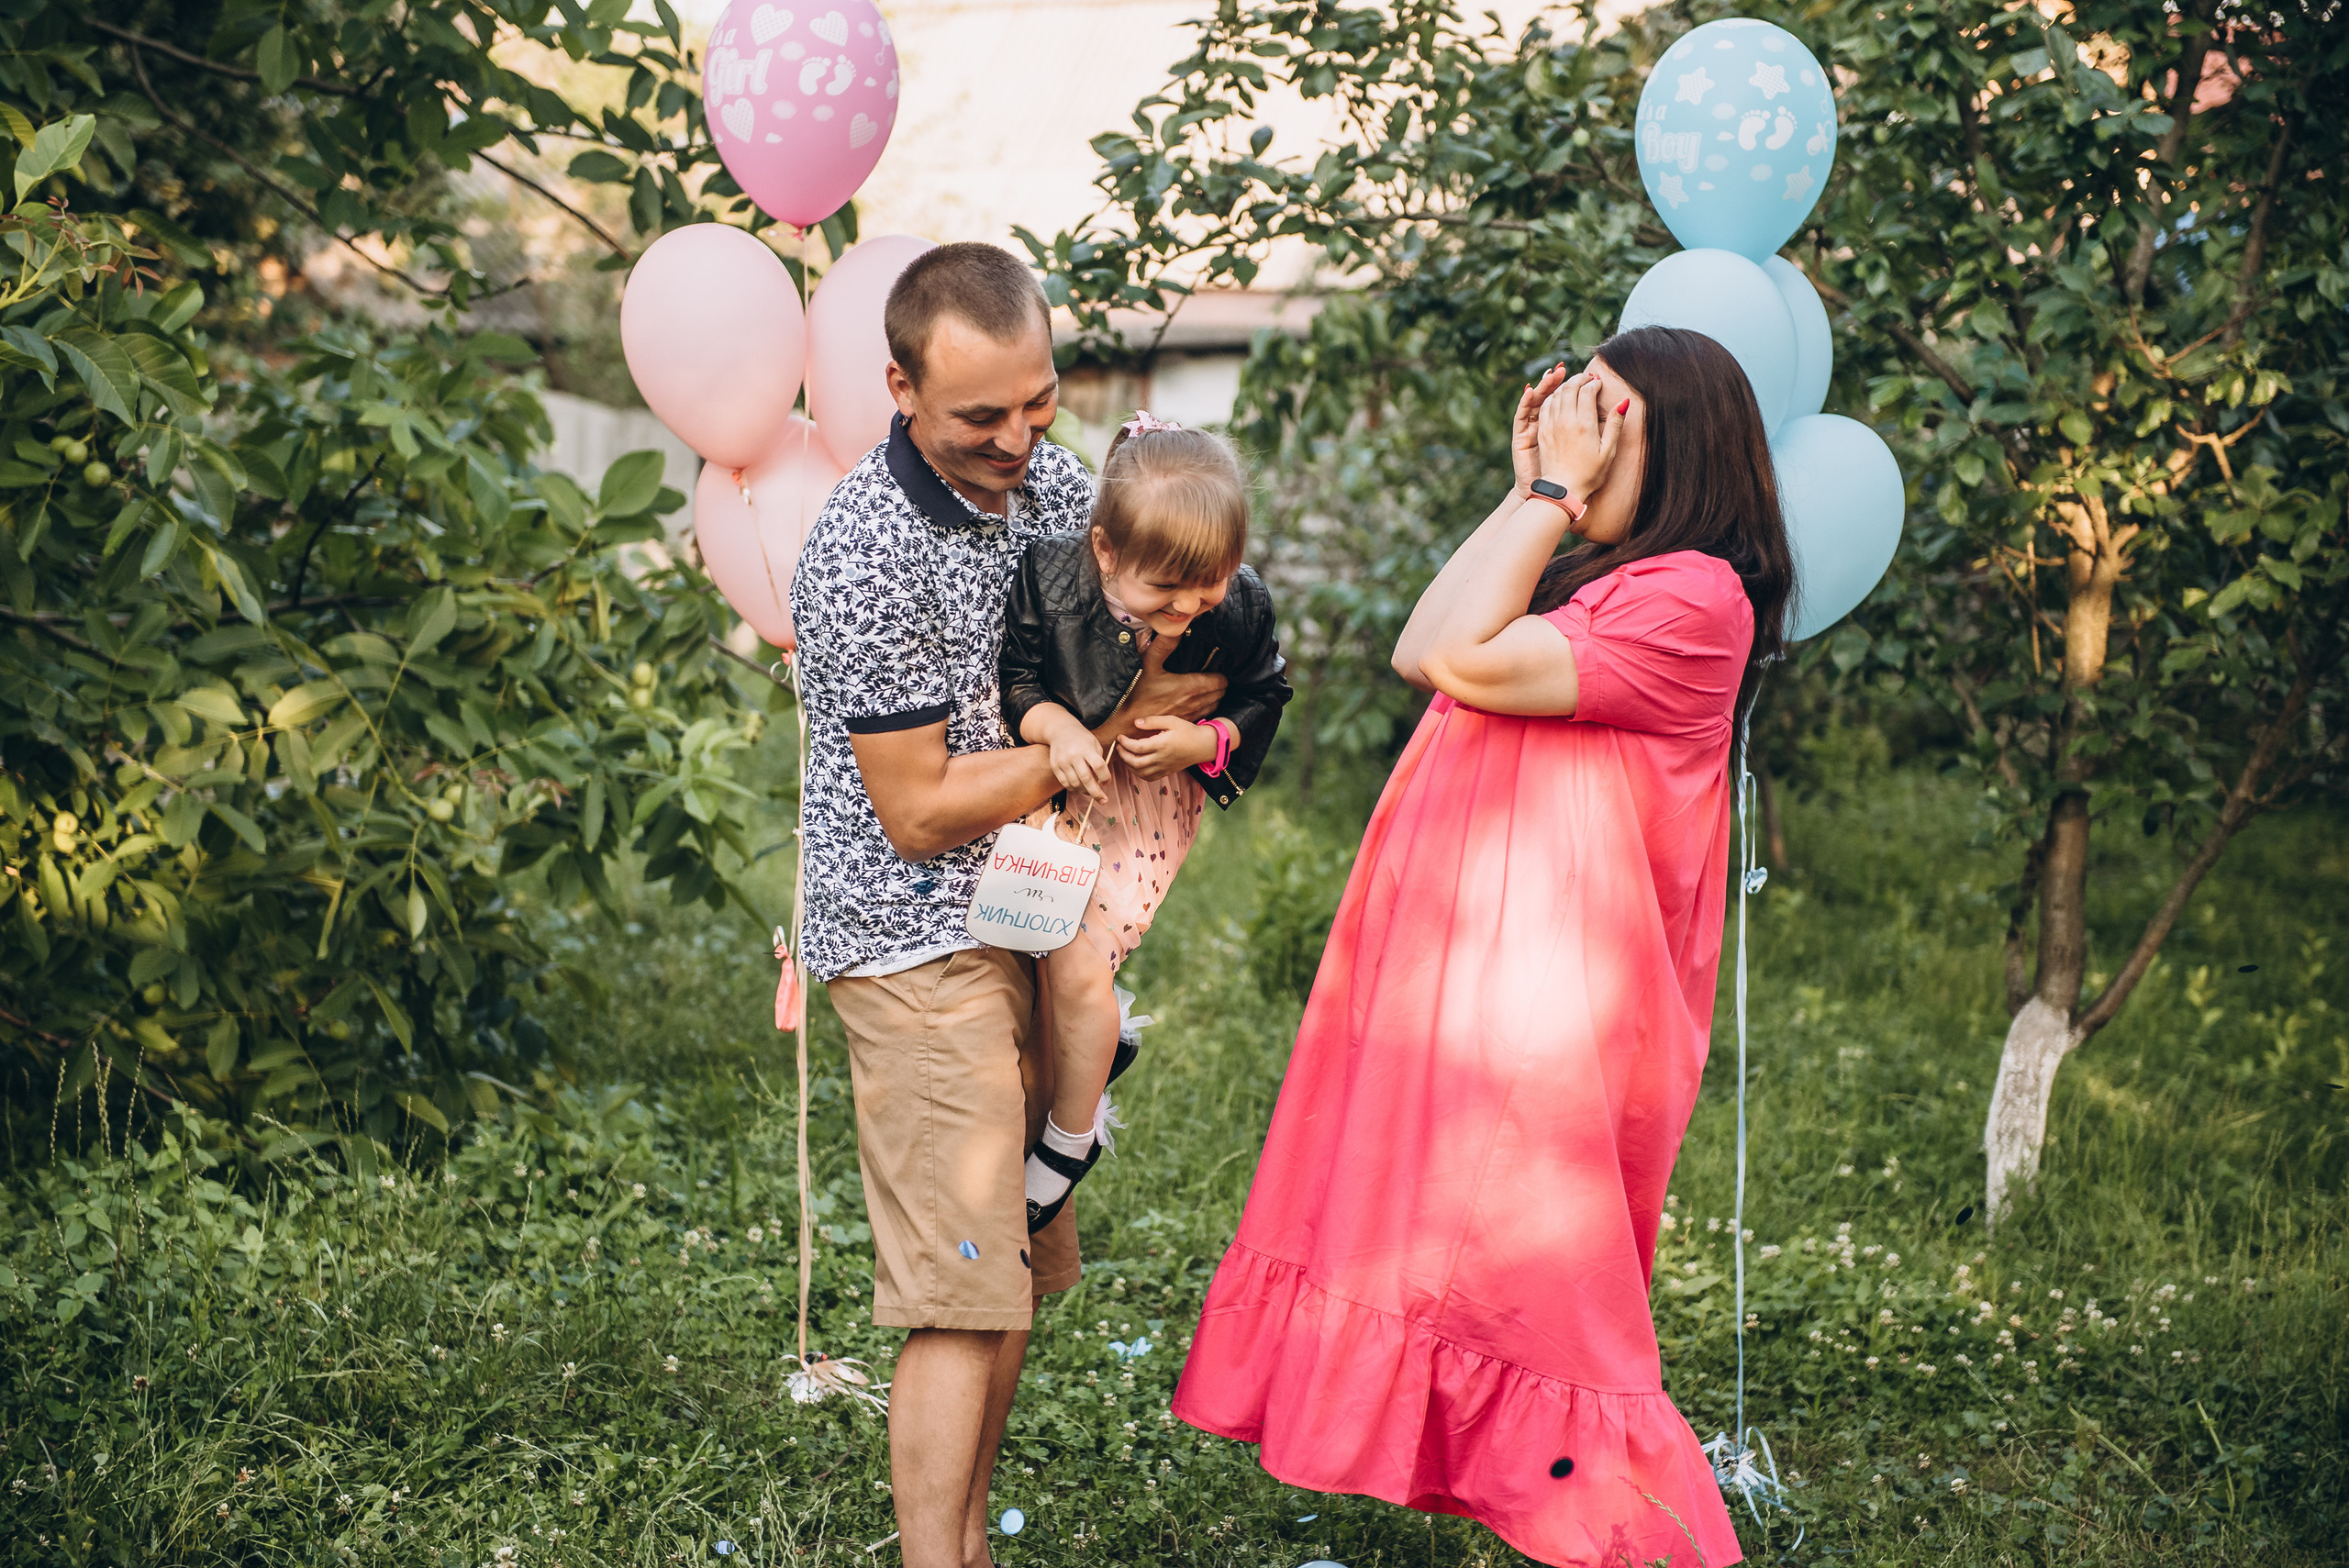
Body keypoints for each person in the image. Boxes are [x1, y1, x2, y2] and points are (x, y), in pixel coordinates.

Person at [1170, 325, 1794, 1568]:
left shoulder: (1697, 597)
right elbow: (1424, 647)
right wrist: (1527, 498)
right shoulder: (1612, 578)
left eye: (1601, 413)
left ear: (1669, 440)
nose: (1573, 428)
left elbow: (1459, 653)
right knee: (1455, 1269)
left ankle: (1655, 1540)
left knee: (1549, 1298)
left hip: (1555, 1005)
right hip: (1481, 981)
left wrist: (1552, 497)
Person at [789, 241, 1227, 1568]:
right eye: (982, 415)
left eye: (1037, 403)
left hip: (1035, 915)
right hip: (914, 930)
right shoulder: (864, 550)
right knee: (963, 1278)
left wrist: (1195, 705)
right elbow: (916, 807)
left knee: (1017, 1266)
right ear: (900, 389)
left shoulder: (1055, 495)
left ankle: (970, 1546)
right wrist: (1082, 742)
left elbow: (1179, 634)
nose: (1019, 439)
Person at [996, 414, 1292, 1231]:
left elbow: (1264, 693)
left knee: (1080, 955)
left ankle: (1070, 1134)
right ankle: (1105, 1041)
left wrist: (1208, 738)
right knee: (1050, 951)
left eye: (1212, 585)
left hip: (1151, 804)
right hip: (1062, 794)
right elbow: (1018, 676)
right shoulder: (1051, 582)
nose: (1191, 606)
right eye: (1165, 590)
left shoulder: (1241, 608)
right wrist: (1055, 726)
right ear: (1104, 553)